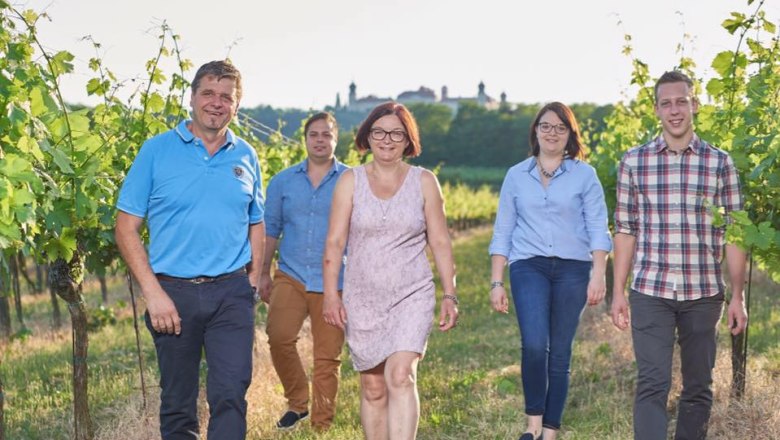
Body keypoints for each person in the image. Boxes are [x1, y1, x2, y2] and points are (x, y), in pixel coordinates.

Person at [115, 60, 264, 440]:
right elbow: (126, 227)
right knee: (178, 404)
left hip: (231, 293)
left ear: (237, 104)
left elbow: (256, 221)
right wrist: (154, 293)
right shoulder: (156, 151)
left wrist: (253, 282)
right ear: (193, 97)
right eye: (208, 93)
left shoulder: (246, 155)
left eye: (226, 96)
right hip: (172, 293)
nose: (217, 103)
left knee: (230, 394)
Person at [611, 71, 748, 440]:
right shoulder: (633, 162)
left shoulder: (720, 163)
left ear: (695, 105)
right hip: (650, 289)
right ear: (656, 109)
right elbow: (625, 230)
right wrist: (618, 291)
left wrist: (738, 296)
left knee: (698, 388)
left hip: (703, 292)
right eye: (666, 103)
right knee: (652, 384)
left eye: (682, 101)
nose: (675, 110)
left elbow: (734, 233)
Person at [322, 102, 459, 439]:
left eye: (396, 133)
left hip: (411, 292)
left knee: (400, 375)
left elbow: (440, 243)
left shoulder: (425, 182)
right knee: (372, 387)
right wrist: (330, 295)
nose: (387, 139)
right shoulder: (349, 182)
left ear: (407, 140)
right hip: (362, 296)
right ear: (367, 137)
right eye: (379, 132)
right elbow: (335, 243)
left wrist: (450, 294)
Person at [488, 102, 612, 440]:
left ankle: (550, 430)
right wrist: (496, 281)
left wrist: (599, 273)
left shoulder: (584, 175)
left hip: (574, 268)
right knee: (533, 343)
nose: (552, 133)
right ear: (535, 131)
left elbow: (599, 227)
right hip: (529, 265)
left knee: (559, 350)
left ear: (570, 134)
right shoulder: (516, 175)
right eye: (546, 126)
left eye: (560, 127)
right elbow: (503, 230)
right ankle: (532, 424)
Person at [260, 112, 349, 432]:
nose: (320, 139)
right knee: (279, 336)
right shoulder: (282, 181)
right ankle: (298, 403)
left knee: (327, 357)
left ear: (336, 139)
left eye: (326, 134)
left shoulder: (351, 180)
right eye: (314, 134)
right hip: (291, 274)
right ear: (305, 139)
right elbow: (271, 229)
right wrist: (263, 273)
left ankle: (322, 425)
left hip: (335, 282)